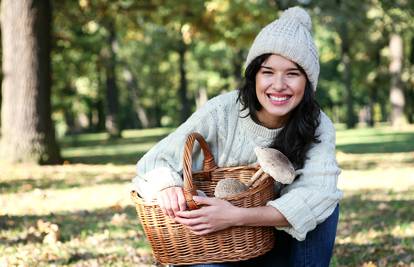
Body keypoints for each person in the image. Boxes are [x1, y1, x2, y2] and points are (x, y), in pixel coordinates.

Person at [132, 6, 342, 267]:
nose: (278, 85)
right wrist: (168, 186)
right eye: (268, 72)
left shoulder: (317, 124)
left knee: (324, 206)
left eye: (292, 73)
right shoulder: (222, 111)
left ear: (308, 82)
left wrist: (237, 215)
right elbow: (154, 162)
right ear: (253, 75)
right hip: (217, 247)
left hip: (275, 248)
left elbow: (318, 194)